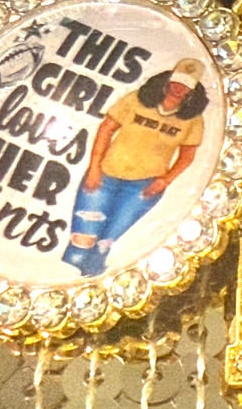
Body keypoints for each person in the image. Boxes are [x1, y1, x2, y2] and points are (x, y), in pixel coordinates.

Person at [61, 58, 208, 276]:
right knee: (83, 240)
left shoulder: (193, 120)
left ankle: (92, 278)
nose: (179, 89)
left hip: (144, 186)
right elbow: (106, 129)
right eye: (177, 82)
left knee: (105, 242)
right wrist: (94, 167)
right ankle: (67, 279)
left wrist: (165, 180)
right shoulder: (136, 100)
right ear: (167, 81)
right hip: (106, 175)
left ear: (192, 91)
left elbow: (187, 155)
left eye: (186, 86)